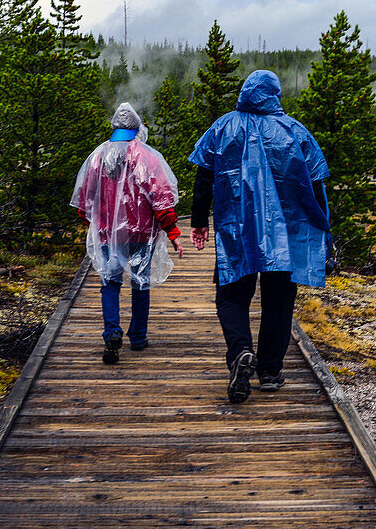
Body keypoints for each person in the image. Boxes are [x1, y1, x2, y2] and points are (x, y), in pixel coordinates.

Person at [190, 70, 331, 404]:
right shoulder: (295, 131)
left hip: (236, 232)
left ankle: (240, 352)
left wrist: (198, 221)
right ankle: (269, 372)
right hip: (285, 236)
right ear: (276, 94)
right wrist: (323, 229)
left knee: (231, 297)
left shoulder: (223, 127)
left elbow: (203, 177)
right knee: (279, 301)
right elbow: (316, 186)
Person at [71, 102, 184, 365]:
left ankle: (112, 332)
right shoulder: (147, 156)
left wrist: (91, 220)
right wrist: (172, 230)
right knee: (140, 281)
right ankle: (138, 337)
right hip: (141, 231)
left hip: (108, 232)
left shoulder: (98, 156)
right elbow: (161, 196)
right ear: (137, 128)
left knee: (110, 282)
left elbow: (85, 197)